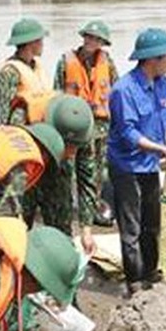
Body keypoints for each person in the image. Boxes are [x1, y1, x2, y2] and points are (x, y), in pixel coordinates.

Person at [107, 28, 166, 295]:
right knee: (131, 226)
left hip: (150, 166)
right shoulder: (124, 90)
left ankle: (151, 272)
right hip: (127, 166)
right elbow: (128, 133)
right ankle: (134, 280)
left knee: (152, 223)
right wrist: (162, 150)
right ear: (152, 59)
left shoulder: (163, 84)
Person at [54, 19, 120, 227]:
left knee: (98, 172)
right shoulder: (66, 61)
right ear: (83, 38)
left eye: (97, 39)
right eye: (90, 37)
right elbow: (55, 94)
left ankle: (93, 211)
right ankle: (66, 211)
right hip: (73, 126)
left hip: (100, 127)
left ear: (102, 43)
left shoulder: (106, 62)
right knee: (68, 170)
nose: (93, 42)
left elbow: (117, 91)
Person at [20, 95, 97, 256]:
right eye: (67, 146)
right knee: (17, 236)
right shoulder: (23, 120)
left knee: (62, 242)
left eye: (75, 147)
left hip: (58, 175)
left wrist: (86, 229)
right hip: (26, 173)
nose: (72, 152)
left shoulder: (82, 130)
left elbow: (87, 179)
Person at [0, 18, 55, 128]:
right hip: (26, 128)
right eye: (40, 41)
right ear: (29, 44)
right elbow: (6, 116)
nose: (42, 44)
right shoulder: (9, 72)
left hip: (45, 124)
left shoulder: (37, 65)